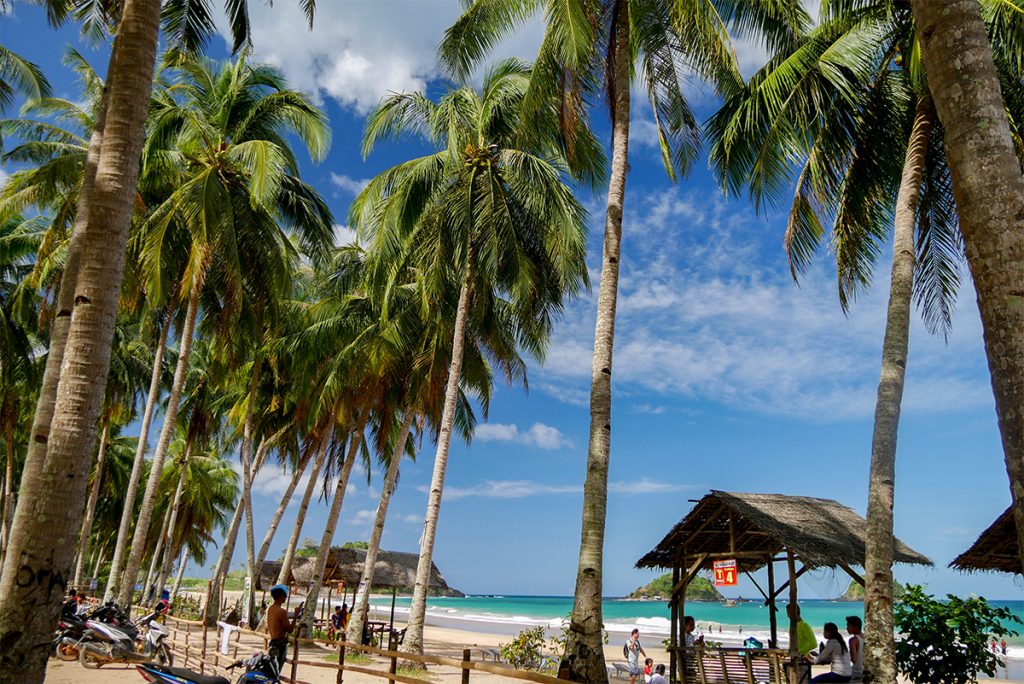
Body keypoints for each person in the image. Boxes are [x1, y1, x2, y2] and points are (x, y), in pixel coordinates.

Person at [268, 585, 297, 671]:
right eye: (285, 595)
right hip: (280, 645)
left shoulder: (271, 609)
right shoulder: (282, 612)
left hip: (272, 643)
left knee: (272, 670)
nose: (286, 597)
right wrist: (295, 616)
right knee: (276, 671)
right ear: (281, 596)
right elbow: (290, 630)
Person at [845, 616, 864, 680]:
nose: (846, 628)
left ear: (855, 627)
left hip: (857, 672)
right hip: (866, 671)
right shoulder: (866, 637)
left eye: (848, 626)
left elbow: (854, 659)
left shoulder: (853, 640)